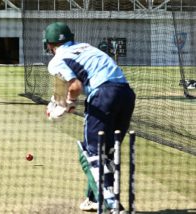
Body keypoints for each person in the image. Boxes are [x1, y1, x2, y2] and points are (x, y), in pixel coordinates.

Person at [43, 22, 135, 213]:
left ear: (50, 45)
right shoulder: (86, 47)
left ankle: (111, 206)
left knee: (91, 153)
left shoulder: (57, 60)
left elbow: (75, 86)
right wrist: (67, 101)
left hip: (103, 96)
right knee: (108, 149)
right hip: (126, 94)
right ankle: (92, 199)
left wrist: (67, 102)